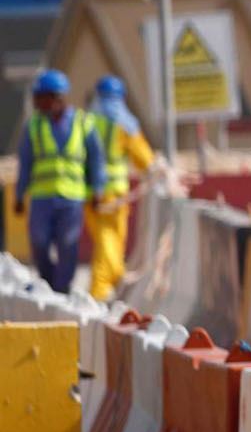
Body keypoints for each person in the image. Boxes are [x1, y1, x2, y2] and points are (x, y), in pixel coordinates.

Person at [15, 69, 105, 293]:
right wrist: (19, 195)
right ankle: (48, 283)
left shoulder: (84, 123)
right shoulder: (33, 126)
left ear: (57, 98)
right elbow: (25, 162)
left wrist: (98, 189)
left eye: (41, 98)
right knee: (39, 241)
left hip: (72, 198)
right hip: (42, 197)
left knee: (68, 244)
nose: (37, 103)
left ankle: (62, 287)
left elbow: (96, 159)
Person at [85, 75, 155, 300]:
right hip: (116, 192)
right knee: (113, 239)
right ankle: (102, 287)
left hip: (91, 193)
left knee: (106, 240)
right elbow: (144, 158)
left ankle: (105, 285)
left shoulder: (86, 121)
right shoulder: (126, 123)